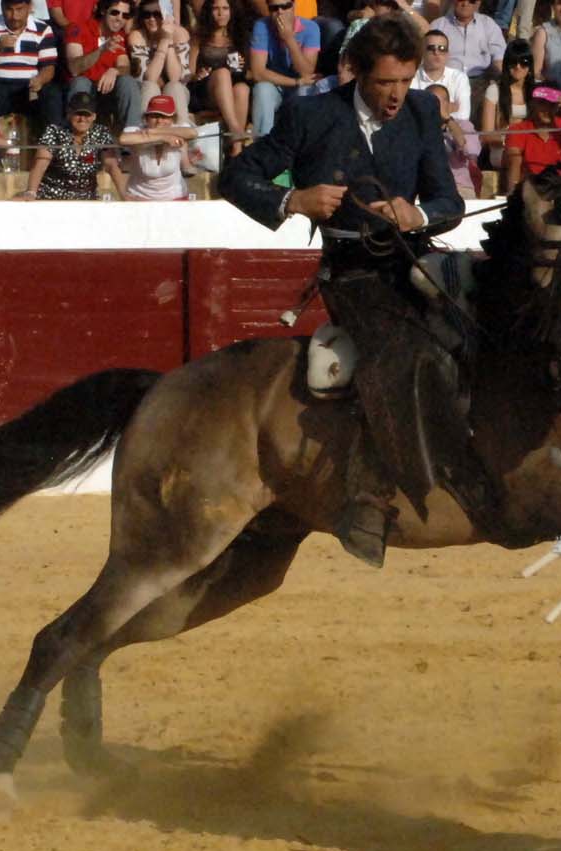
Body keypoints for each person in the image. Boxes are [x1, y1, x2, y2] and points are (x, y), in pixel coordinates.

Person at [221, 14, 492, 568]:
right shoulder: (312, 115)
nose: (395, 95)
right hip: (353, 271)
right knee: (398, 350)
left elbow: (450, 201)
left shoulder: (421, 111)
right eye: (384, 83)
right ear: (356, 74)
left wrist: (419, 214)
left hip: (415, 260)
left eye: (405, 81)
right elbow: (236, 176)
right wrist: (291, 201)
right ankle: (367, 494)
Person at [17, 90, 123, 199]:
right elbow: (40, 165)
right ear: (69, 113)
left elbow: (111, 165)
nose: (82, 119)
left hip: (87, 199)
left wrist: (124, 194)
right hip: (52, 197)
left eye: (87, 115)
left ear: (94, 116)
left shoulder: (101, 133)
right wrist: (30, 193)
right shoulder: (54, 131)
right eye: (78, 114)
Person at [0, 0, 59, 126]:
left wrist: (40, 80)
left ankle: (49, 142)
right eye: (9, 10)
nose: (14, 16)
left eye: (19, 9)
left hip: (27, 86)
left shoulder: (43, 29)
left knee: (52, 94)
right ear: (2, 7)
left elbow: (49, 67)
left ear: (29, 8)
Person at [65, 0, 142, 133]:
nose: (119, 19)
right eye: (115, 13)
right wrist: (102, 50)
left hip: (107, 91)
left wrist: (115, 70)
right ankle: (77, 139)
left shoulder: (119, 36)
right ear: (103, 11)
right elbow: (74, 68)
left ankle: (131, 135)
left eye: (125, 15)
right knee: (80, 82)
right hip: (84, 90)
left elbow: (125, 66)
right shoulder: (77, 28)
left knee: (128, 81)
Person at [249, 0, 322, 137]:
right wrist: (296, 82)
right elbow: (258, 73)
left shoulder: (311, 28)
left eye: (285, 6)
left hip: (299, 86)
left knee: (305, 91)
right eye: (274, 8)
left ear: (293, 6)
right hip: (275, 84)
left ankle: (300, 145)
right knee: (262, 89)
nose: (280, 11)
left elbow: (306, 71)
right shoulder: (261, 26)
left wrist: (289, 40)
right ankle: (263, 145)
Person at [189, 0, 251, 156]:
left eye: (225, 8)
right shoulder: (199, 37)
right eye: (215, 8)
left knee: (242, 89)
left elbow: (250, 72)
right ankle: (235, 128)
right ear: (209, 12)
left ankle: (236, 151)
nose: (220, 13)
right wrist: (196, 75)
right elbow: (189, 72)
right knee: (222, 73)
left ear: (231, 11)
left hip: (233, 89)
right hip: (206, 89)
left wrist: (243, 69)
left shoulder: (240, 37)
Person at [118, 93, 196, 199]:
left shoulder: (178, 129)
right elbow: (123, 139)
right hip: (139, 196)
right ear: (146, 118)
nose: (159, 121)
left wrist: (154, 131)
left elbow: (192, 133)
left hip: (175, 196)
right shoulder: (136, 131)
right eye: (154, 116)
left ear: (173, 118)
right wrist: (163, 138)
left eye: (164, 117)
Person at [429, 0, 504, 105]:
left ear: (478, 2)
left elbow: (499, 60)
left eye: (471, 0)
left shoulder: (488, 25)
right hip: (447, 82)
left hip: (480, 83)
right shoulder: (438, 25)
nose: (465, 3)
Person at [129, 0, 192, 122]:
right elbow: (149, 78)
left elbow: (176, 78)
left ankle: (182, 128)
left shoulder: (180, 33)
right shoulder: (137, 36)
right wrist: (164, 41)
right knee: (150, 87)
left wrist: (168, 38)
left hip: (176, 92)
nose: (152, 19)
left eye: (157, 14)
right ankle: (145, 133)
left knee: (174, 87)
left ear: (166, 15)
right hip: (147, 93)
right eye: (147, 15)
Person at [480, 38, 533, 172]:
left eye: (524, 62)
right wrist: (512, 140)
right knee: (517, 157)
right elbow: (486, 135)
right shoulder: (494, 91)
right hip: (502, 148)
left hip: (530, 146)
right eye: (513, 62)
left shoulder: (536, 91)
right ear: (506, 64)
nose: (518, 67)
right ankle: (512, 192)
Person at [426, 83, 479, 197]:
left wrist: (449, 121)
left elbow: (471, 151)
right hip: (426, 188)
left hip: (459, 187)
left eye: (437, 102)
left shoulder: (464, 125)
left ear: (449, 106)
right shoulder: (417, 128)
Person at [411, 29, 471, 120]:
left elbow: (464, 115)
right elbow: (410, 113)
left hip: (451, 131)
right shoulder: (411, 76)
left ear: (447, 54)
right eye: (431, 48)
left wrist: (425, 110)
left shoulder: (459, 77)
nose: (437, 52)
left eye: (442, 49)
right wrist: (446, 109)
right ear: (422, 52)